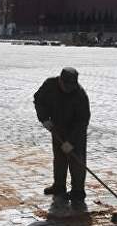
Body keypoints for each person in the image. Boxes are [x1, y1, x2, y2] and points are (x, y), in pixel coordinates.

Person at [33, 67, 91, 205]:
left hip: (75, 130)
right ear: (60, 80)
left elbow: (83, 121)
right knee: (59, 158)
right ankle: (59, 186)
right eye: (66, 86)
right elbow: (38, 99)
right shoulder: (50, 85)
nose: (69, 89)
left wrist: (71, 142)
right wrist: (44, 119)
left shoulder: (80, 95)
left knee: (76, 160)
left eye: (72, 86)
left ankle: (78, 191)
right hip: (57, 126)